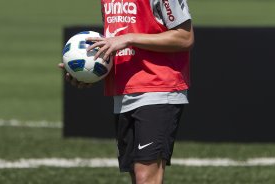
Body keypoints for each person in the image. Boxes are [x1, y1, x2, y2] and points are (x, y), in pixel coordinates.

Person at [59, 0, 194, 183]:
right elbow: (115, 41)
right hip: (122, 93)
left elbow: (185, 37)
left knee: (146, 177)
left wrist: (130, 38)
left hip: (158, 87)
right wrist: (90, 72)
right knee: (137, 176)